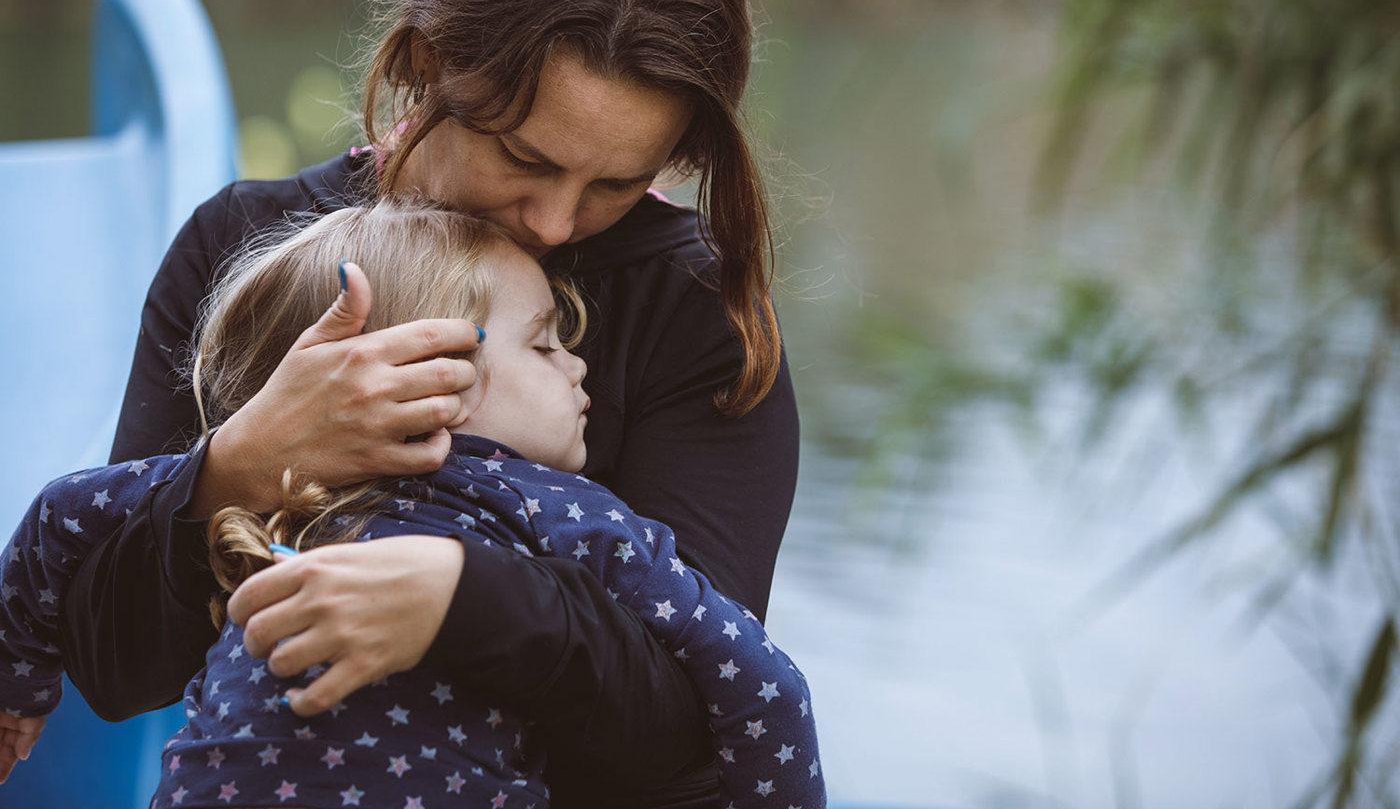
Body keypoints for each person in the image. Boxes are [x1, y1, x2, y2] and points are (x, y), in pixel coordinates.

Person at [57, 0, 800, 804]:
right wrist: (240, 464)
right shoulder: (248, 246)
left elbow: (699, 725)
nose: (554, 222)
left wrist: (465, 599)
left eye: (616, 184)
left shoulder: (698, 317)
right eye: (523, 157)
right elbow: (111, 670)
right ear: (425, 60)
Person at [0, 201, 823, 808]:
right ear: (433, 377)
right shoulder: (560, 508)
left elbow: (57, 519)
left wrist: (19, 682)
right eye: (545, 345)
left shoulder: (294, 500)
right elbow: (759, 685)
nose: (578, 370)